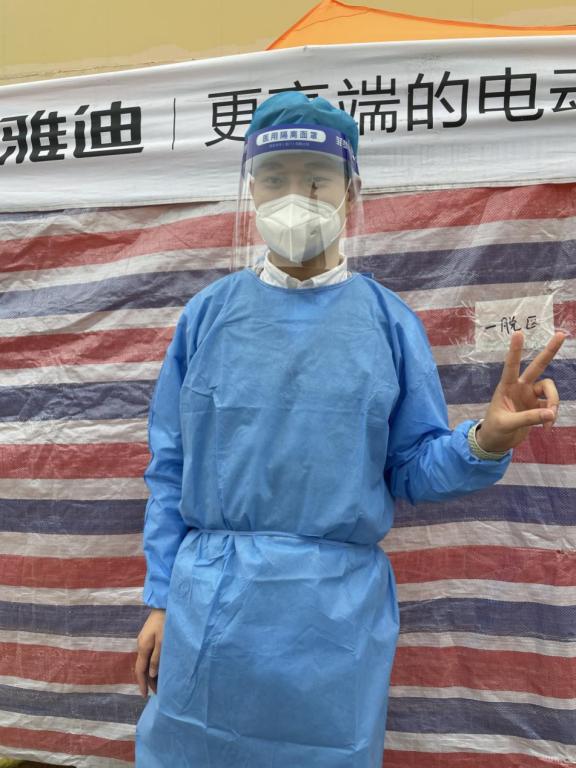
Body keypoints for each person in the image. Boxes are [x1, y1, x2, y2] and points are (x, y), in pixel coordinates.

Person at [134, 92, 565, 767]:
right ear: (251, 189)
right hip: (209, 606)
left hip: (330, 623)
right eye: (273, 179)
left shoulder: (387, 324)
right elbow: (170, 469)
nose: (294, 196)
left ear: (351, 191)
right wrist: (161, 599)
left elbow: (412, 467)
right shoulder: (207, 318)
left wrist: (485, 439)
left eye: (316, 179)